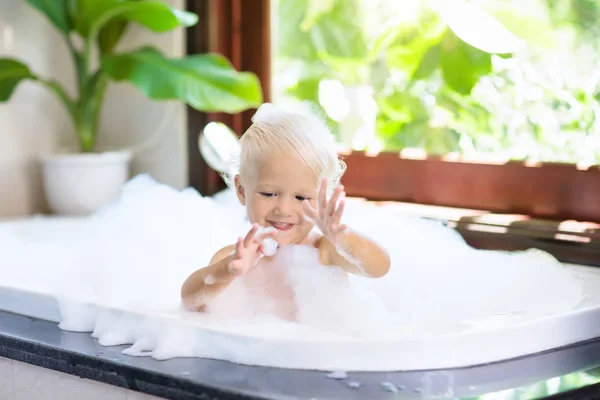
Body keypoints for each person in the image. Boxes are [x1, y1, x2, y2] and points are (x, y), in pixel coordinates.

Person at [180, 103, 391, 317]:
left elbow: (379, 268)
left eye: (301, 197)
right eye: (269, 194)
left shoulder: (324, 251)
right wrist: (226, 271)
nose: (284, 209)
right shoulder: (235, 257)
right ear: (242, 190)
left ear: (321, 198)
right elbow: (190, 301)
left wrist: (343, 238)